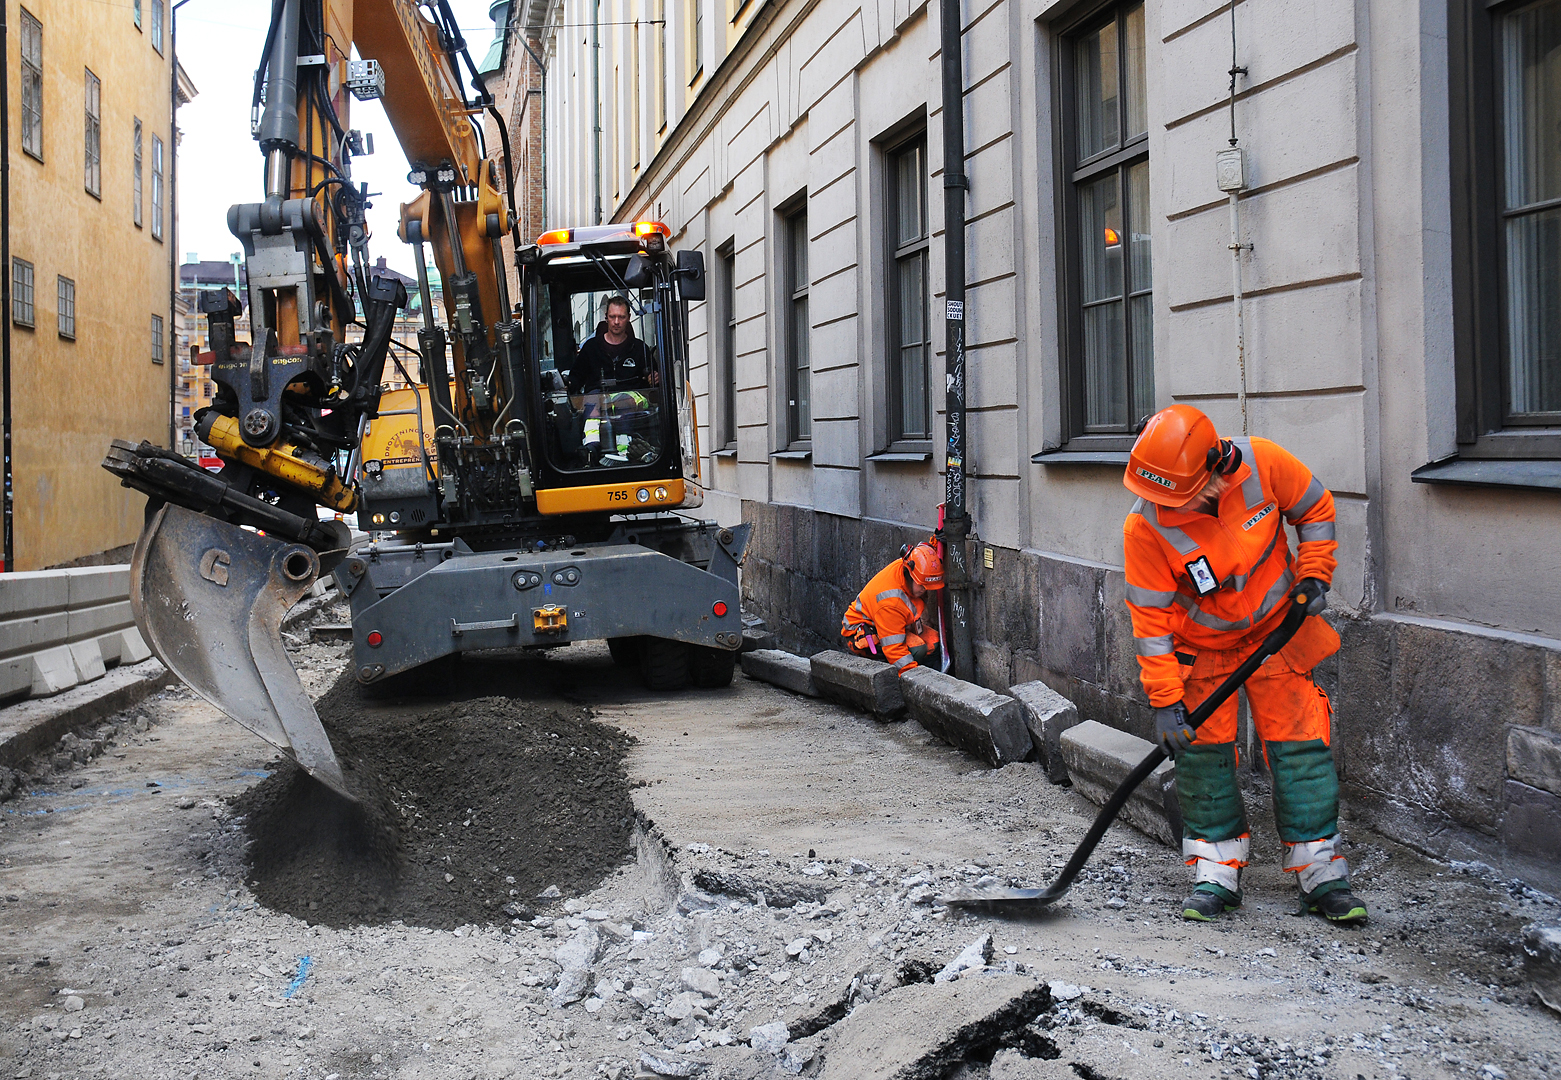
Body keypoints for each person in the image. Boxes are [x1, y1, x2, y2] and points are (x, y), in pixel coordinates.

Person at [1121, 404, 1367, 924]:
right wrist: (1165, 703)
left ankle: (1320, 872)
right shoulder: (1145, 527)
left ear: (1216, 464)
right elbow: (1151, 622)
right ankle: (1217, 872)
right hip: (1203, 653)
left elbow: (1316, 509)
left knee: (1302, 750)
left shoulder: (1265, 464)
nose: (1170, 506)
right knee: (1203, 762)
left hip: (1278, 638)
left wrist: (1315, 574)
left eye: (1183, 494)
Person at [840, 542, 944, 674]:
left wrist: (938, 540)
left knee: (934, 641)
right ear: (910, 576)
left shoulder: (910, 564)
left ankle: (929, 674)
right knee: (918, 649)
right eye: (922, 586)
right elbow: (895, 650)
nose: (925, 591)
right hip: (863, 632)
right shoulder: (890, 602)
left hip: (888, 623)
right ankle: (898, 680)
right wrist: (914, 679)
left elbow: (925, 556)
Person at [566, 296, 655, 395]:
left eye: (621, 317)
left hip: (633, 406)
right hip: (597, 404)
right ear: (606, 317)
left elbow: (654, 378)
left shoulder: (640, 348)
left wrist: (654, 378)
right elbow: (576, 378)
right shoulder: (590, 348)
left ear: (629, 318)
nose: (616, 322)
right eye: (612, 316)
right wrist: (568, 384)